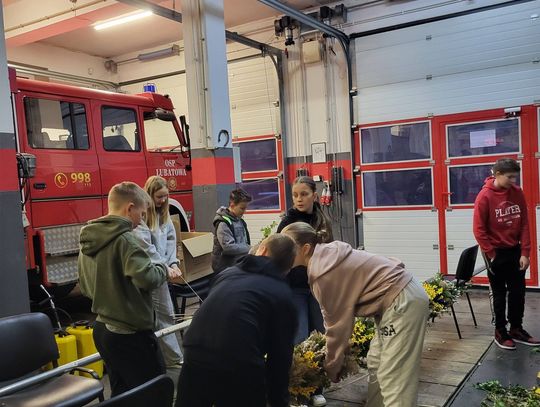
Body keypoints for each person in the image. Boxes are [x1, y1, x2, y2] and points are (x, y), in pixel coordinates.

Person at [282, 222, 429, 407]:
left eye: (287, 247)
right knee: (376, 363)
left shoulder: (322, 273)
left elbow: (337, 327)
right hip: (399, 296)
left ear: (305, 249)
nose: (283, 251)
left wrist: (332, 366)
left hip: (401, 301)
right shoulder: (329, 254)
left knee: (395, 377)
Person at [78, 181, 181, 396]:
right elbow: (149, 279)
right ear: (129, 208)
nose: (141, 220)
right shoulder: (127, 240)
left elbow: (86, 286)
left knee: (122, 393)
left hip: (103, 329)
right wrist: (163, 267)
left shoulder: (89, 238)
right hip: (129, 333)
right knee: (154, 391)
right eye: (141, 214)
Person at [175, 234, 298, 407]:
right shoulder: (281, 295)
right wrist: (279, 402)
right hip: (239, 363)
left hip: (195, 350)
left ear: (262, 250)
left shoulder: (227, 274)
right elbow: (279, 360)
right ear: (288, 268)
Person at [276, 176, 333, 406]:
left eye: (304, 194)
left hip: (317, 287)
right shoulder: (286, 223)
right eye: (295, 195)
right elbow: (279, 256)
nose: (299, 199)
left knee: (319, 335)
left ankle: (316, 388)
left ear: (314, 196)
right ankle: (300, 390)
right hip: (295, 289)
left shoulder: (323, 219)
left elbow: (330, 251)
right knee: (300, 337)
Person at [473, 158, 540, 349]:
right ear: (498, 174)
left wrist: (525, 252)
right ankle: (500, 331)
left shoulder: (517, 193)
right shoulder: (484, 196)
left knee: (518, 292)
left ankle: (516, 328)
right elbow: (479, 230)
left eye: (515, 177)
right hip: (495, 253)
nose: (513, 181)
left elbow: (524, 223)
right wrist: (492, 254)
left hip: (515, 250)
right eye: (510, 177)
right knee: (499, 294)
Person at [133, 175, 183, 369]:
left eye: (165, 196)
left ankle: (168, 358)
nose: (163, 200)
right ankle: (173, 359)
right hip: (150, 273)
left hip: (161, 272)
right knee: (163, 316)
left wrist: (173, 263)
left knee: (165, 315)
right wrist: (165, 266)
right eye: (159, 196)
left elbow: (171, 240)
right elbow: (147, 248)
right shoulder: (142, 217)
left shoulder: (165, 215)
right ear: (149, 195)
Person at [211, 188, 252, 274]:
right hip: (225, 268)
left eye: (245, 208)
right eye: (242, 208)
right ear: (232, 205)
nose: (244, 211)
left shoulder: (240, 221)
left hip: (237, 265)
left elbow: (245, 241)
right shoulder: (223, 223)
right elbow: (229, 247)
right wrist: (250, 248)